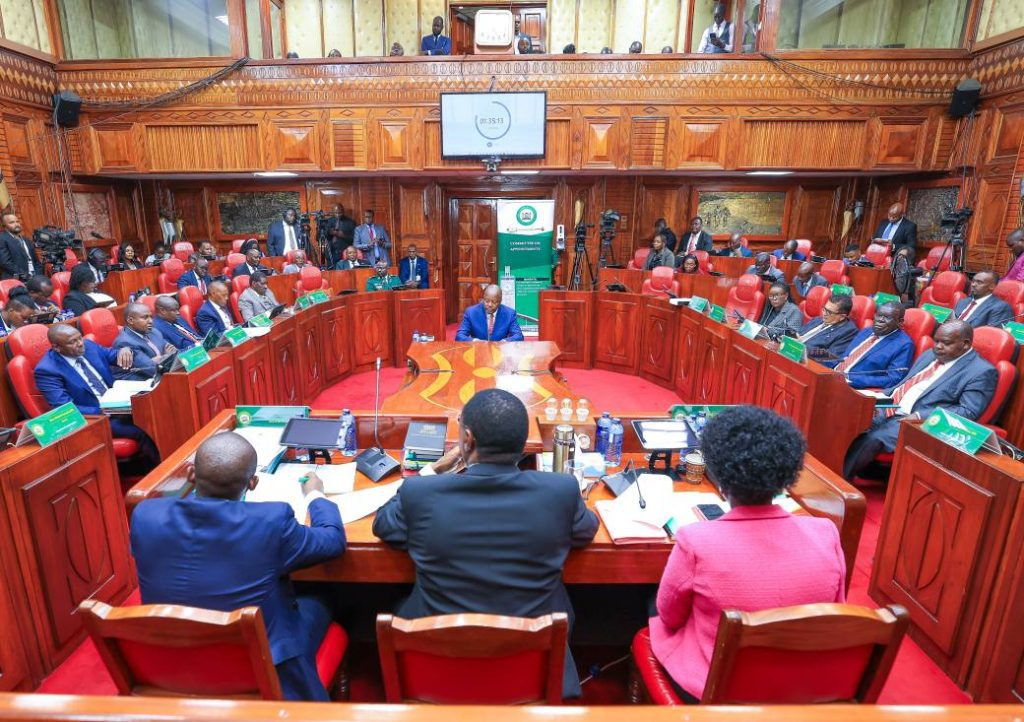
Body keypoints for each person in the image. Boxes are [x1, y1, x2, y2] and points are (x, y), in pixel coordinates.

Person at [374, 388, 598, 699]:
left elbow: (384, 525)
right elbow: (586, 531)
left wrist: (430, 471)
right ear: (523, 443)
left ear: (467, 439)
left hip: (437, 667)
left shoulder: (420, 493)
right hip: (530, 668)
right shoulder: (560, 490)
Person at [130, 432, 345, 701]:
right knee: (324, 599)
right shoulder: (270, 522)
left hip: (170, 660)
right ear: (252, 483)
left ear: (190, 475)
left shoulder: (146, 515)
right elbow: (333, 541)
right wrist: (315, 494)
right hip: (258, 665)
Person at [650, 406, 845, 702]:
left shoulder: (696, 541)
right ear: (786, 475)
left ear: (718, 475)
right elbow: (833, 616)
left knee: (649, 604)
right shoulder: (825, 532)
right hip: (802, 686)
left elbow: (670, 616)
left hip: (719, 688)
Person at [843, 320, 997, 480]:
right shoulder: (930, 355)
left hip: (919, 422)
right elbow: (903, 385)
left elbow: (968, 411)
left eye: (946, 343)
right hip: (890, 407)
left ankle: (840, 480)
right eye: (936, 341)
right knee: (849, 419)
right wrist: (877, 398)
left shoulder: (981, 371)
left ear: (965, 344)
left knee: (873, 438)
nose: (938, 346)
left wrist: (920, 416)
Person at [35, 324, 158, 468]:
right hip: (97, 418)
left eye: (79, 338)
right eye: (72, 342)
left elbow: (114, 355)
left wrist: (126, 350)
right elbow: (64, 408)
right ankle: (157, 472)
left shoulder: (89, 346)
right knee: (145, 429)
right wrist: (103, 411)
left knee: (158, 412)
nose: (80, 344)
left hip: (121, 405)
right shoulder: (47, 370)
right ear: (57, 348)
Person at [834, 302, 915, 390]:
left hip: (852, 386)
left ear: (900, 321)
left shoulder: (904, 344)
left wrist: (851, 379)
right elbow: (845, 356)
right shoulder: (867, 331)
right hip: (832, 375)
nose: (880, 320)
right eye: (878, 315)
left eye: (887, 317)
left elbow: (893, 379)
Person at [112, 303, 175, 381]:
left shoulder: (154, 332)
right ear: (130, 320)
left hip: (159, 376)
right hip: (139, 383)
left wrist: (162, 358)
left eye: (151, 317)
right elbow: (152, 369)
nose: (151, 321)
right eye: (145, 318)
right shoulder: (124, 342)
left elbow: (173, 351)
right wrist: (166, 356)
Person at [797, 293, 860, 366]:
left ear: (842, 317)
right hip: (792, 353)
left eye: (829, 312)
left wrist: (803, 348)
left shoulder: (848, 331)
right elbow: (798, 334)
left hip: (807, 364)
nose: (824, 313)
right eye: (824, 309)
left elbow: (831, 357)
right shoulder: (818, 319)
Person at [455, 285, 524, 342]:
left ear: (500, 301)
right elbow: (460, 336)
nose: (490, 304)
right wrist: (474, 341)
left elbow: (518, 336)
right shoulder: (471, 312)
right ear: (483, 298)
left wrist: (504, 342)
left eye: (494, 302)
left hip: (500, 352)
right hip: (478, 352)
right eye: (487, 301)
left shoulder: (509, 314)